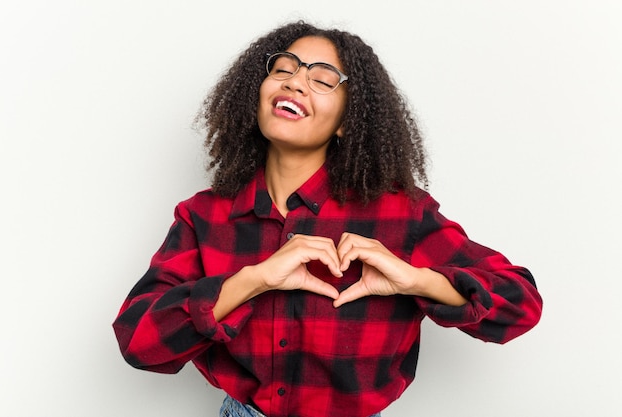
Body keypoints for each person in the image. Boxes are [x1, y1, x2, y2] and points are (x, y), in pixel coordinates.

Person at [112, 21, 543, 417]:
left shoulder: (400, 213)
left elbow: (520, 304)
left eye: (321, 79)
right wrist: (254, 279)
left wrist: (417, 280)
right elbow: (138, 342)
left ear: (345, 123)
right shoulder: (205, 216)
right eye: (284, 69)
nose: (296, 81)